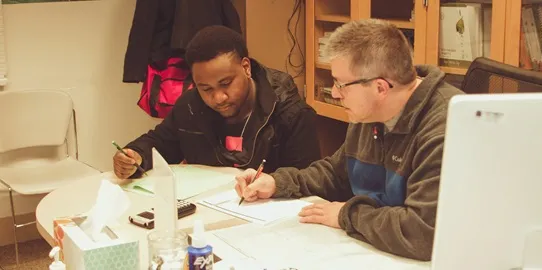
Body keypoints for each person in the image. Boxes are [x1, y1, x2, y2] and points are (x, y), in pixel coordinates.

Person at [234, 19, 464, 261]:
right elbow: (337, 173)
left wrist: (346, 215)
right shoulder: (371, 113)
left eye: (341, 84)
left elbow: (420, 233)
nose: (334, 93)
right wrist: (277, 182)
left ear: (380, 88)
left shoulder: (445, 128)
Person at [113, 25, 321, 180]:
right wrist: (135, 156)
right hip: (209, 215)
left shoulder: (291, 113)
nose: (218, 97)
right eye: (206, 89)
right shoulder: (190, 107)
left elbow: (305, 183)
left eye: (226, 83)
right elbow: (160, 142)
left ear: (246, 68)